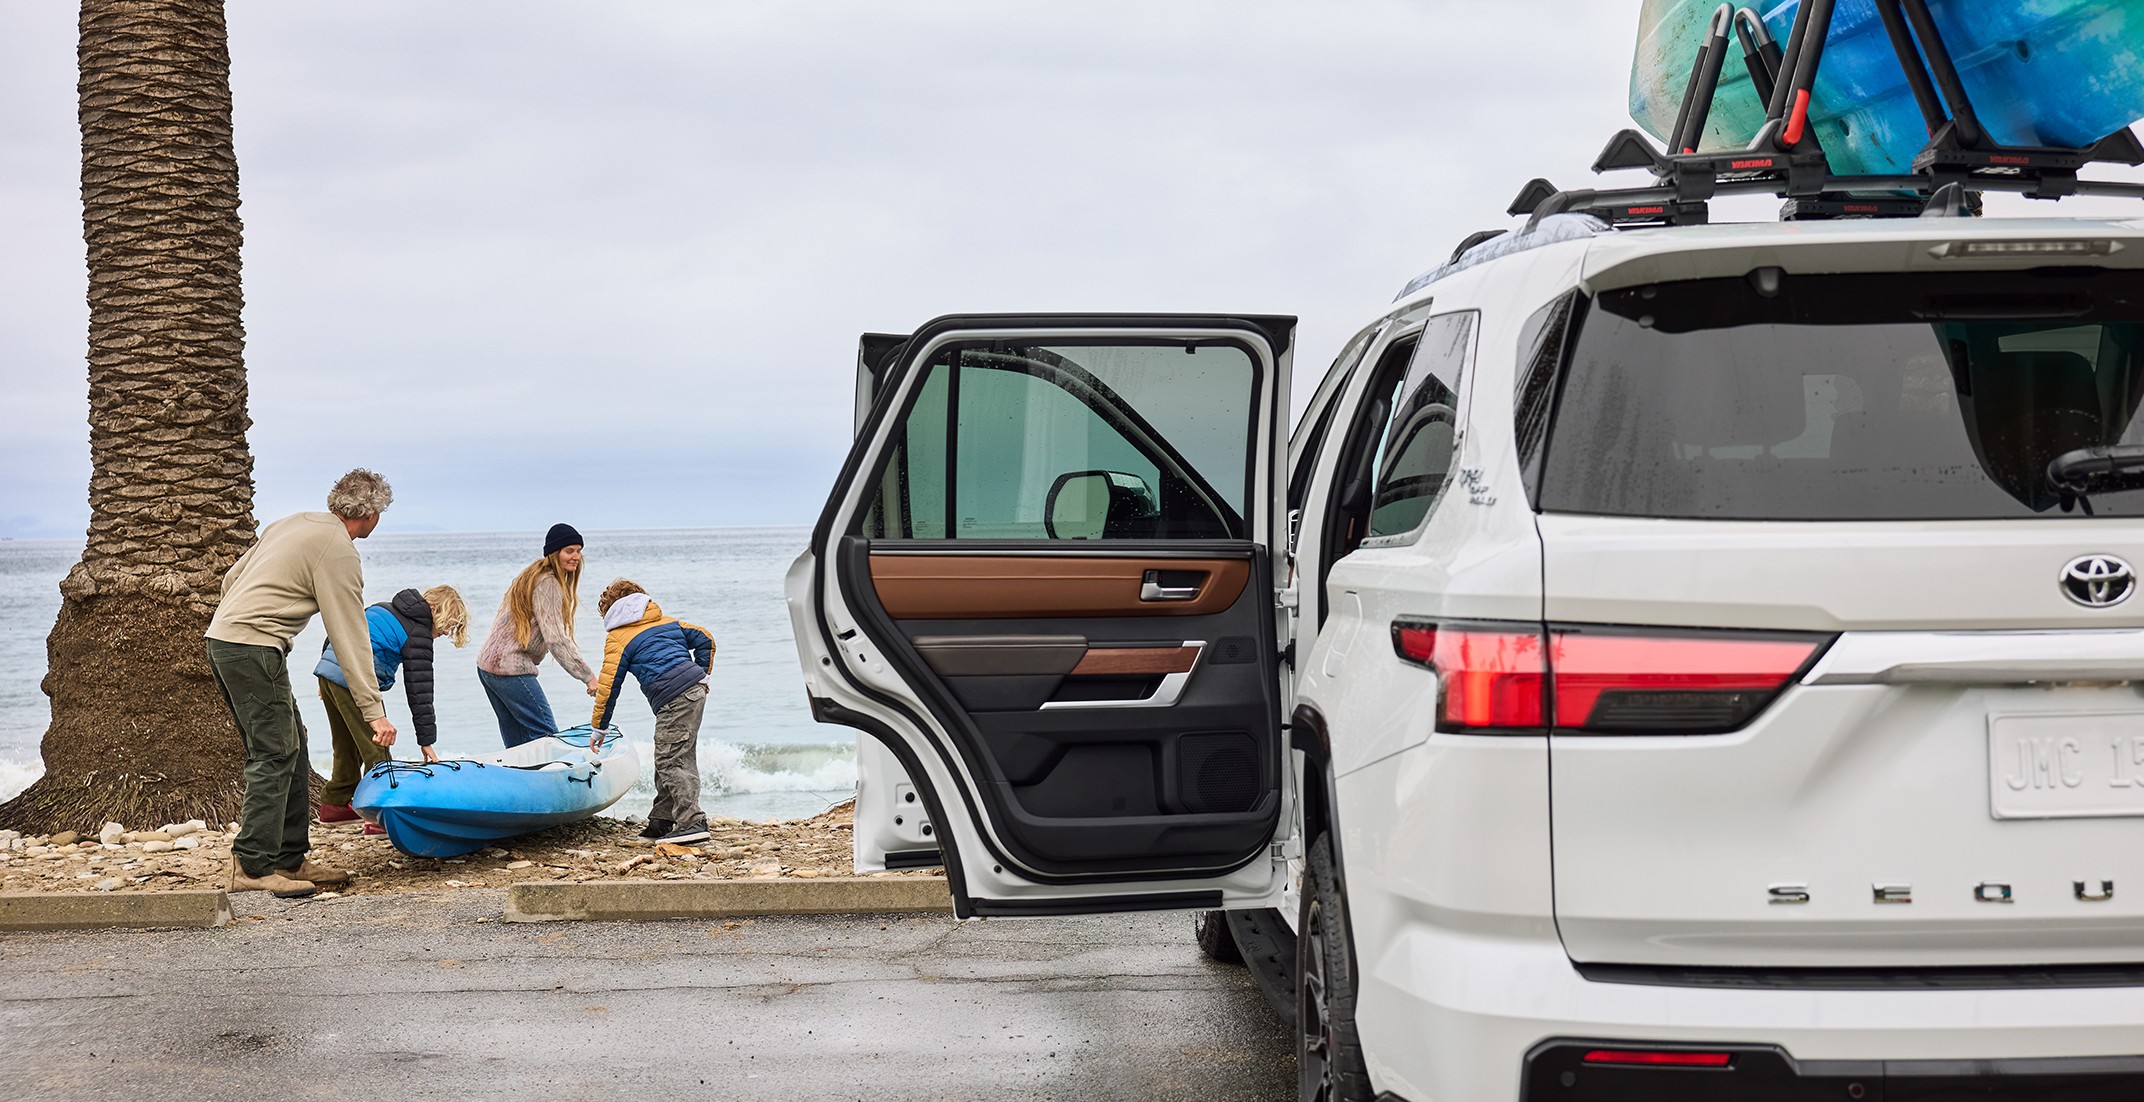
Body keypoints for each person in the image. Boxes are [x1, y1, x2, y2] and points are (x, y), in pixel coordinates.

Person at [204, 469, 397, 898]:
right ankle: (251, 865)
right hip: (252, 647)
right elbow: (351, 637)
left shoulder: (292, 523)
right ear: (369, 514)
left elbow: (231, 581)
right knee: (273, 752)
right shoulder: (339, 550)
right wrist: (374, 712)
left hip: (227, 640)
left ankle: (289, 859)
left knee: (294, 745)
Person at [315, 585, 469, 834]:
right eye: (446, 623)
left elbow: (342, 628)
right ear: (433, 609)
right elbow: (420, 691)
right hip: (356, 680)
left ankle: (335, 804)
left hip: (330, 672)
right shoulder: (417, 632)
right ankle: (379, 814)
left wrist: (326, 669)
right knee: (377, 745)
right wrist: (426, 741)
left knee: (345, 743)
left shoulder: (382, 608)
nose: (444, 632)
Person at [591, 578, 715, 845]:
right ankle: (662, 820)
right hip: (693, 691)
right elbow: (705, 637)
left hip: (673, 697)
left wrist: (600, 727)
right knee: (672, 752)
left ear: (610, 611)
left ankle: (693, 821)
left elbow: (609, 686)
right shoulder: (669, 621)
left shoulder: (618, 638)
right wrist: (701, 674)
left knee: (671, 760)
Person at [475, 523, 596, 747]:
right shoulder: (548, 582)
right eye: (569, 551)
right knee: (547, 736)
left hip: (487, 666)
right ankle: (559, 780)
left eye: (579, 551)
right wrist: (588, 676)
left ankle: (520, 778)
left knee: (519, 744)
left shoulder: (531, 576)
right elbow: (556, 638)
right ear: (554, 552)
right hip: (509, 668)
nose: (576, 556)